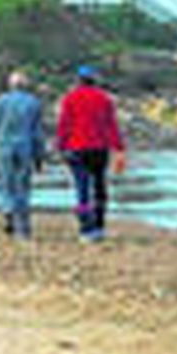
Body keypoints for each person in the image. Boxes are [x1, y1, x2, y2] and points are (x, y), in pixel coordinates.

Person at [55, 65, 126, 241]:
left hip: (76, 148)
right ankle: (99, 227)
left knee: (82, 189)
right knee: (99, 187)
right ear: (95, 80)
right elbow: (111, 126)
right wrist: (119, 148)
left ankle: (86, 230)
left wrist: (60, 146)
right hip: (99, 148)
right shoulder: (104, 99)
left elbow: (64, 125)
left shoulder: (69, 98)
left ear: (78, 80)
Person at [0, 69, 46, 238]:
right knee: (22, 185)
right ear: (26, 85)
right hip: (25, 148)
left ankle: (9, 213)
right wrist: (39, 156)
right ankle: (22, 226)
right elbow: (37, 133)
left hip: (4, 147)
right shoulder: (34, 103)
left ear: (11, 84)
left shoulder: (1, 101)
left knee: (6, 183)